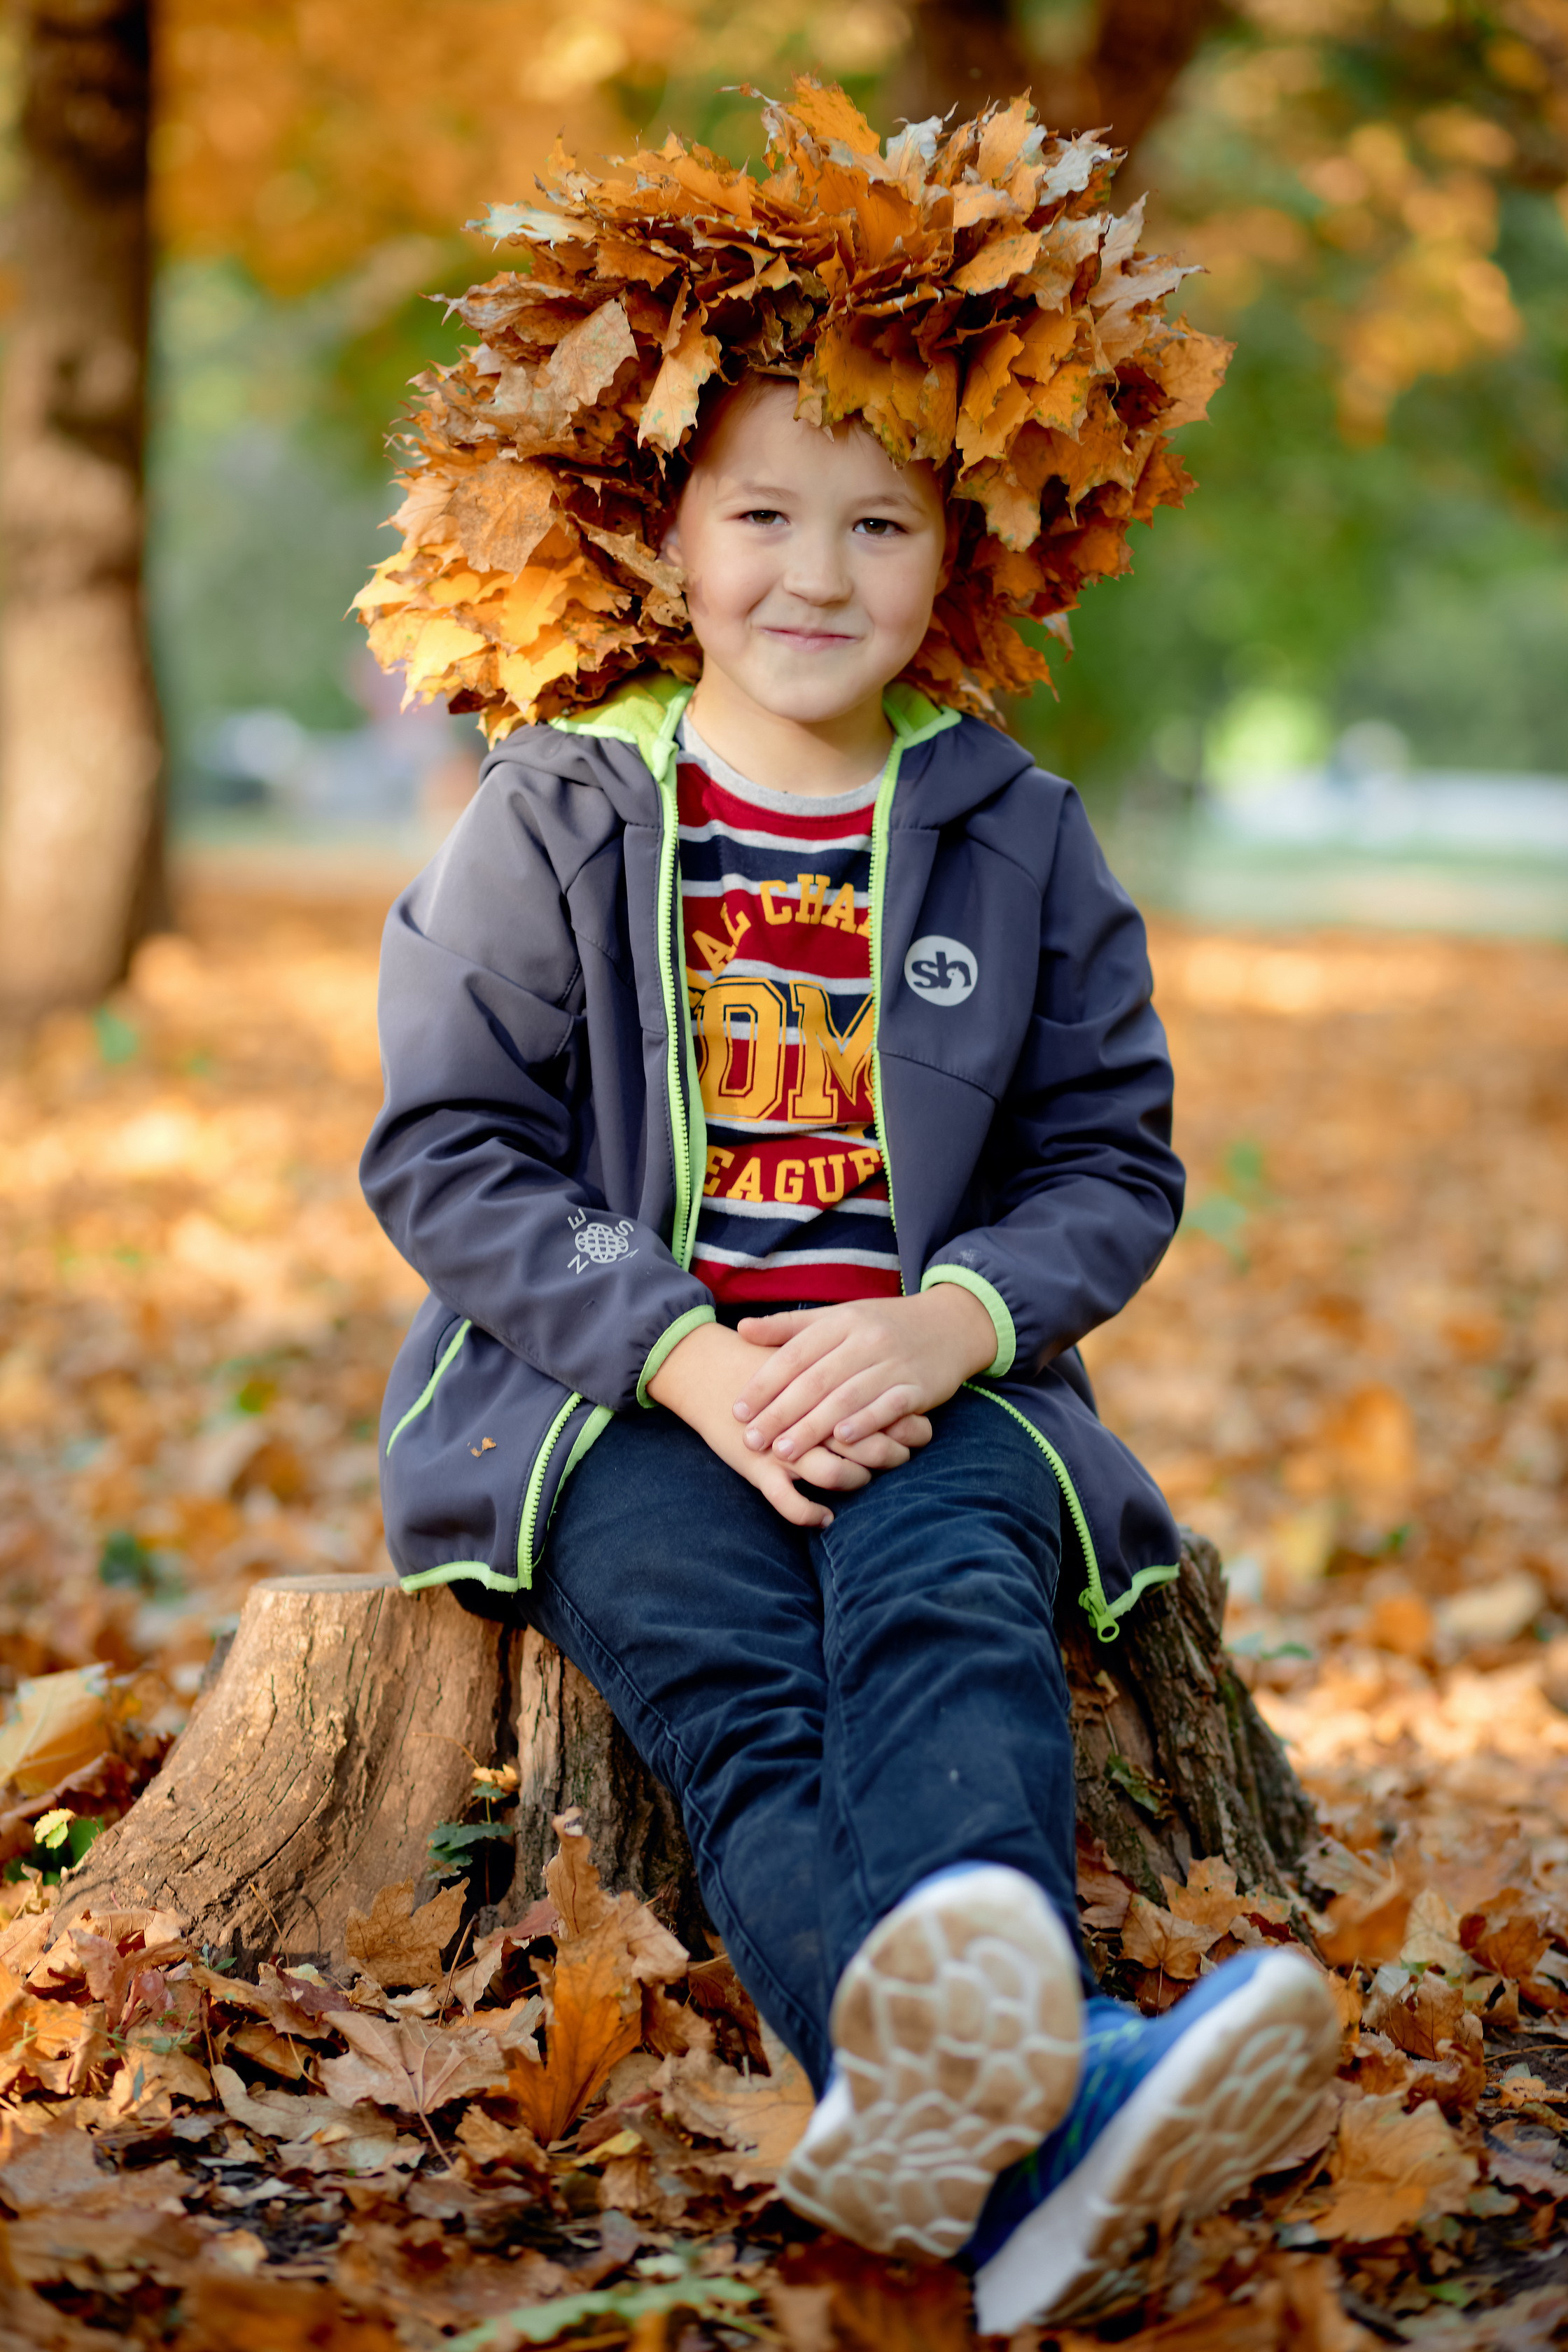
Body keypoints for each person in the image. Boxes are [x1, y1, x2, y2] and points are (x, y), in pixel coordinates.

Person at [358, 82, 1339, 2330]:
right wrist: (687, 1357)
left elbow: (1112, 1157)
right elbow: (448, 1145)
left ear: (962, 555)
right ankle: (1070, 2101)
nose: (818, 572)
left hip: (932, 1386)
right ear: (669, 536)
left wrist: (953, 1328)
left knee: (950, 1626)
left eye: (881, 525)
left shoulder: (1020, 832)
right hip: (617, 1407)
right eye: (767, 514)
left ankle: (982, 2116)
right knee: (738, 1710)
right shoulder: (558, 818)